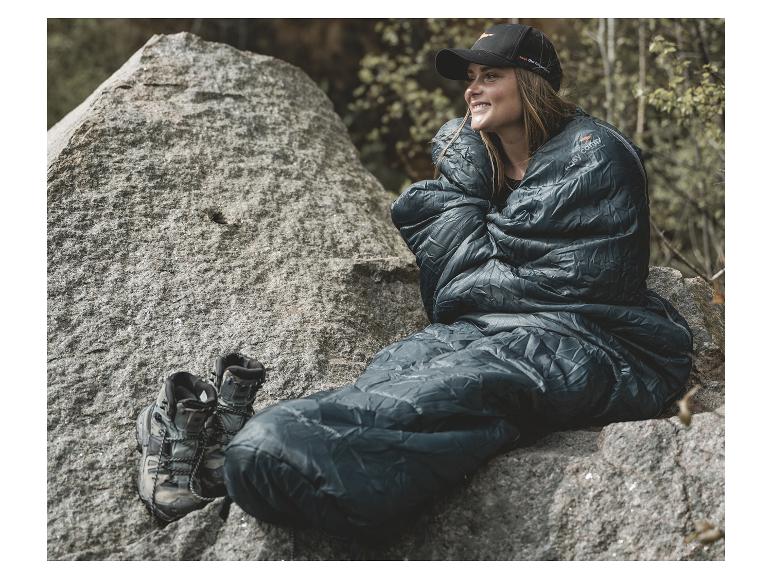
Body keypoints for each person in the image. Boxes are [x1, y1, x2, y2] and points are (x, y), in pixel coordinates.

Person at [216, 23, 694, 541]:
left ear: (532, 84)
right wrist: (466, 190)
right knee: (398, 366)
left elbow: (570, 283)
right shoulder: (476, 167)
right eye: (470, 77)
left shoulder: (593, 154)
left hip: (595, 339)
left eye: (490, 75)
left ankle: (291, 459)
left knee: (466, 383)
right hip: (487, 327)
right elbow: (453, 288)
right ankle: (268, 447)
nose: (472, 89)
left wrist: (469, 227)